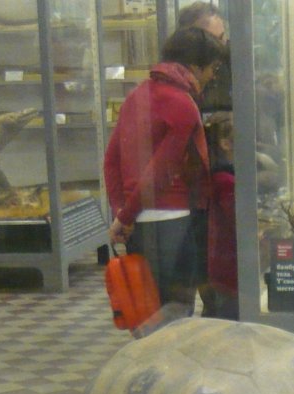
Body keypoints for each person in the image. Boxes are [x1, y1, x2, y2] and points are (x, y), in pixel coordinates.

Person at [104, 26, 229, 316]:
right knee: (176, 311)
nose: (212, 76)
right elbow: (160, 172)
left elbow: (111, 159)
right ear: (195, 67)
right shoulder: (183, 104)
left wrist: (122, 213)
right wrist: (125, 216)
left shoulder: (137, 95)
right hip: (173, 219)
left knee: (147, 309)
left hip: (139, 221)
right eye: (213, 68)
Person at [202, 112, 239, 320]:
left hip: (222, 267)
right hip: (229, 268)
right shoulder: (225, 181)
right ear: (226, 143)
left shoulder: (222, 176)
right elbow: (237, 221)